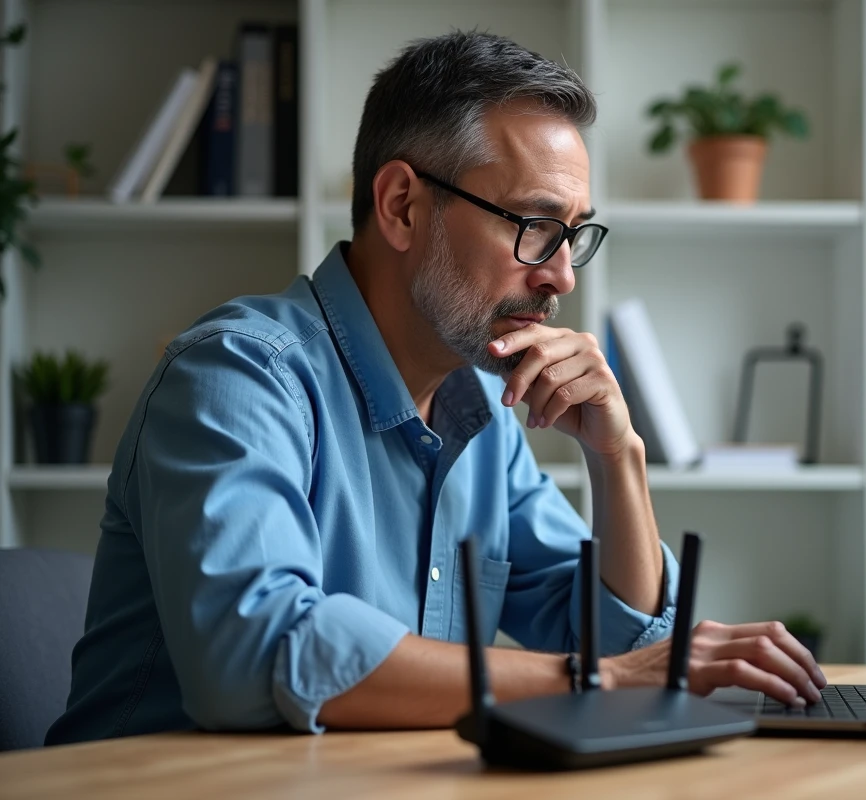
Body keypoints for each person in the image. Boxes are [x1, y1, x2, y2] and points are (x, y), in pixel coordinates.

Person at [46, 31, 825, 744]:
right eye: (533, 225)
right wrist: (599, 681)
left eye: (573, 235)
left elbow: (635, 648)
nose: (559, 276)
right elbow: (253, 659)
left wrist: (617, 457)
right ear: (401, 206)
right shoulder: (237, 377)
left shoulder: (480, 410)